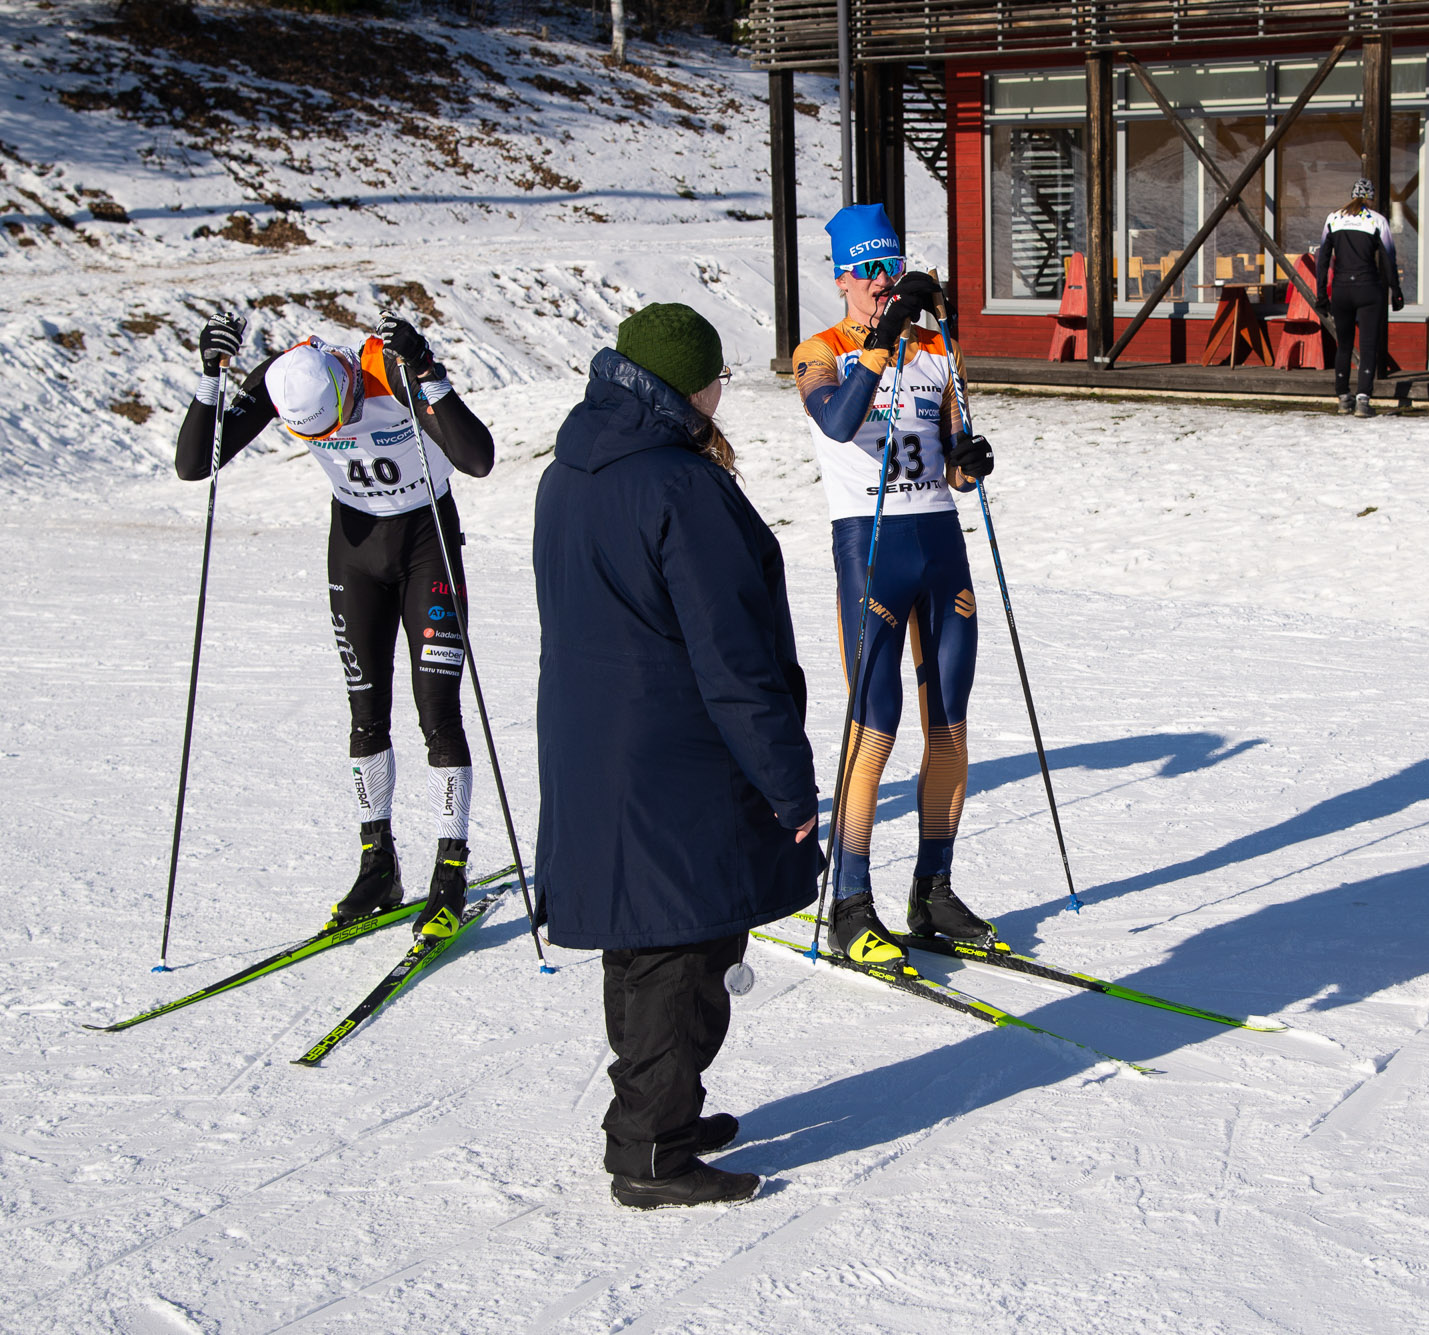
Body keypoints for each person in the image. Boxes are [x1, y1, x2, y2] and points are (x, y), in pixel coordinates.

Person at [534, 302, 819, 1210]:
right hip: (676, 757)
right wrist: (787, 781)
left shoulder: (570, 468)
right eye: (718, 379)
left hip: (595, 748)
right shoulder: (680, 486)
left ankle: (658, 1115)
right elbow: (734, 656)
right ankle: (651, 1150)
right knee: (684, 949)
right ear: (691, 386)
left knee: (641, 938)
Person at [174, 311, 495, 940]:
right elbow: (193, 465)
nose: (338, 432)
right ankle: (378, 865)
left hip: (425, 540)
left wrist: (426, 372)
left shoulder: (387, 369)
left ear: (345, 385)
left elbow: (477, 459)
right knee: (366, 712)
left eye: (340, 418)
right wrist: (210, 377)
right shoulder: (281, 378)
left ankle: (450, 870)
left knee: (437, 712)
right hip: (354, 548)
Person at [791, 203, 998, 968]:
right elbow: (840, 423)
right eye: (868, 272)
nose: (882, 283)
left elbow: (952, 459)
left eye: (891, 268)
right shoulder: (819, 352)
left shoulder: (938, 348)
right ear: (843, 279)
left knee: (950, 725)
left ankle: (933, 889)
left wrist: (970, 462)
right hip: (870, 549)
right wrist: (883, 340)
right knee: (874, 724)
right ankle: (849, 901)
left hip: (939, 545)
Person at [1313, 178, 1404, 419]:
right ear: (1370, 198)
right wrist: (1396, 290)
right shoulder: (1377, 220)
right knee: (1368, 346)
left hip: (1342, 289)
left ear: (1352, 195)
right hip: (1368, 288)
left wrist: (1321, 293)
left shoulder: (1333, 219)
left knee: (1343, 345)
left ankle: (1343, 397)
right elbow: (1388, 259)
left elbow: (1322, 260)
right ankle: (1363, 400)